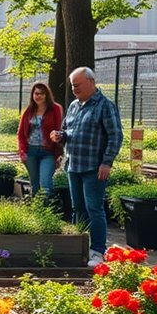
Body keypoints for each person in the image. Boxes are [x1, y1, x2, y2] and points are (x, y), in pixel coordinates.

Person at [51, 67, 123, 266]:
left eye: (78, 85)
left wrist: (107, 162)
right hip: (74, 165)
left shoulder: (105, 105)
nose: (74, 89)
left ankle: (97, 251)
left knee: (94, 209)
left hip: (94, 167)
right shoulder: (74, 105)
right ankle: (78, 246)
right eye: (72, 85)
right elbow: (67, 131)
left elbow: (115, 136)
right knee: (77, 209)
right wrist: (60, 136)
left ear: (91, 82)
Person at [17, 82, 64, 196]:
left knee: (45, 183)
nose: (38, 96)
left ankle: (46, 210)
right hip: (31, 151)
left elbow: (59, 130)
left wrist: (58, 154)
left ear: (47, 95)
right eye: (36, 93)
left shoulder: (56, 109)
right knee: (35, 185)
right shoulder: (28, 111)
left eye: (42, 94)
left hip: (48, 152)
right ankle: (37, 211)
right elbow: (21, 134)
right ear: (32, 95)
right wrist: (22, 151)